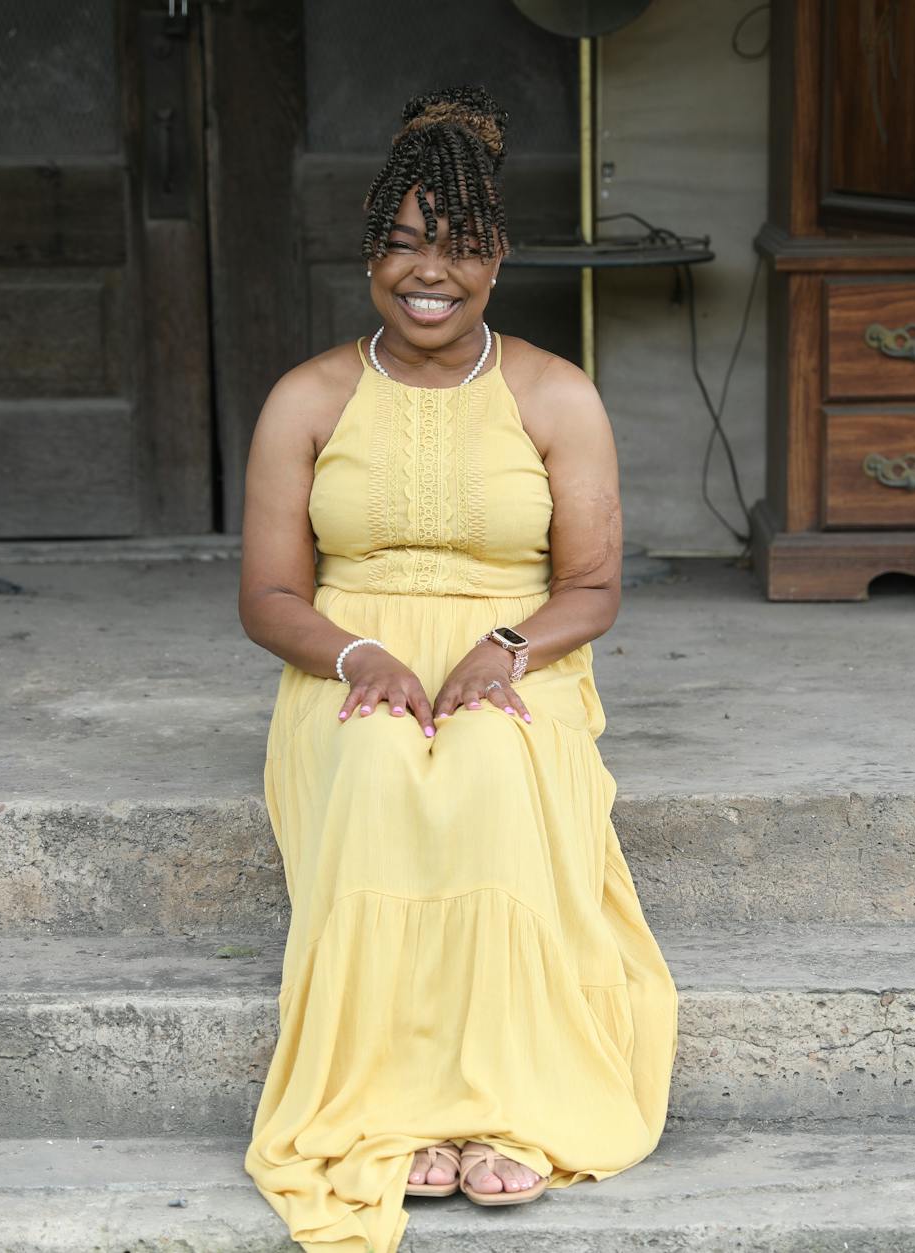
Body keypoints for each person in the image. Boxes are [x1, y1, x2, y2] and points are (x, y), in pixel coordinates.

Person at [236, 83, 679, 1253]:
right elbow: (268, 596)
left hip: (514, 660)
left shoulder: (551, 392)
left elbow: (591, 584)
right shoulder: (309, 397)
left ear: (496, 259)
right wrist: (359, 652)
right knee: (379, 768)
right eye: (401, 246)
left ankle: (496, 1105)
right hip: (350, 666)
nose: (426, 273)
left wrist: (508, 649)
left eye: (457, 248)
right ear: (369, 258)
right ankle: (398, 1108)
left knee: (486, 772)